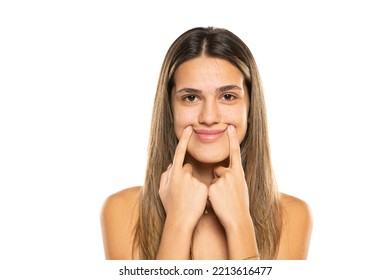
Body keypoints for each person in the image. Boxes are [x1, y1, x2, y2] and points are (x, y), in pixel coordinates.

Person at [100, 26, 312, 260]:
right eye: (191, 98)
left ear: (250, 108)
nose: (209, 117)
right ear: (170, 110)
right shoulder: (122, 211)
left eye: (228, 97)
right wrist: (178, 224)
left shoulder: (292, 217)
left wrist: (239, 223)